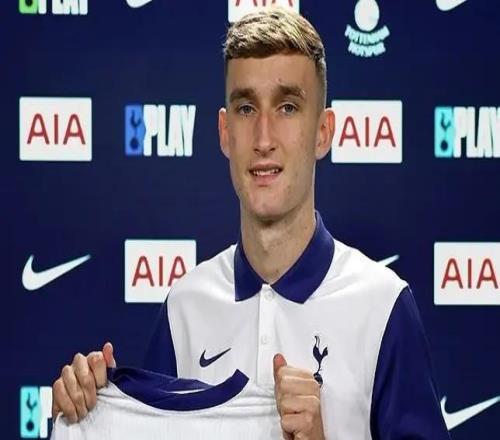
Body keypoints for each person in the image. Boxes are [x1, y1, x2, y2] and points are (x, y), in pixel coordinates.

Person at [52, 8, 450, 440]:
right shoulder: (185, 306)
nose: (263, 139)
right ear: (225, 132)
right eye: (245, 108)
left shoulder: (383, 306)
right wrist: (84, 413)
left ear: (323, 131)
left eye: (287, 107)